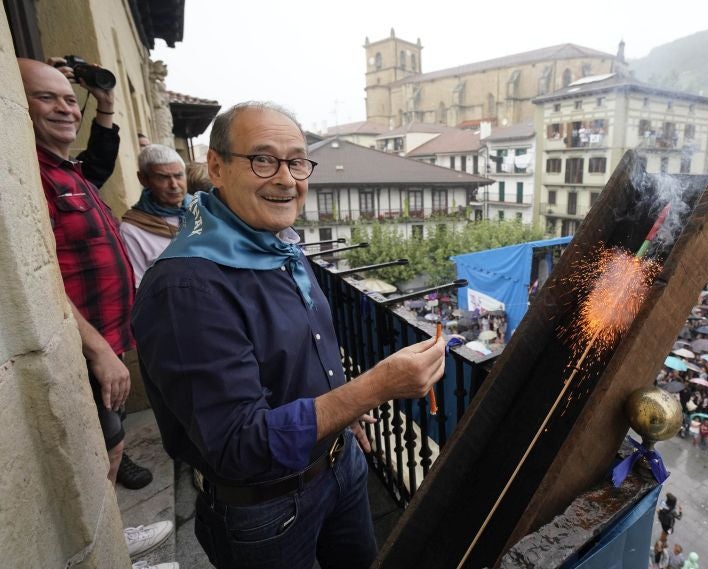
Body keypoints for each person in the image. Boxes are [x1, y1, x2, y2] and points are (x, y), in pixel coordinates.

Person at [131, 101, 447, 569]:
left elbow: (303, 355)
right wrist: (375, 387)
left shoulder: (279, 244)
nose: (286, 178)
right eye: (263, 159)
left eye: (297, 161)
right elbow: (239, 444)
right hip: (267, 509)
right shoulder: (187, 287)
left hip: (342, 468)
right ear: (216, 167)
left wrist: (345, 411)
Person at [18, 56, 173, 566]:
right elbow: (39, 272)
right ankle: (108, 552)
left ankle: (114, 539)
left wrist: (104, 102)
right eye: (46, 97)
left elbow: (100, 160)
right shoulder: (30, 178)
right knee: (99, 452)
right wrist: (98, 348)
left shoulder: (66, 171)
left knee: (106, 445)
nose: (65, 107)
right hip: (83, 348)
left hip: (104, 340)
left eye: (69, 97)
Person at [120, 144, 189, 286]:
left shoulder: (205, 209)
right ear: (143, 179)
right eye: (163, 178)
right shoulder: (132, 230)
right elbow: (139, 286)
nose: (174, 185)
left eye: (179, 175)